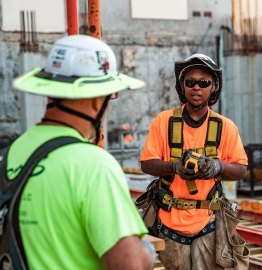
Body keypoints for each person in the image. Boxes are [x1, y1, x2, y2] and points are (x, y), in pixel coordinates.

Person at [10, 34, 155, 269]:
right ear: (98, 100)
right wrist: (146, 252)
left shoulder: (15, 151)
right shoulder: (93, 164)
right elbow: (130, 263)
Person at [140, 53, 249, 269]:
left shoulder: (225, 126)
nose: (196, 88)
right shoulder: (164, 122)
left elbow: (240, 169)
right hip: (170, 225)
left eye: (204, 83)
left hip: (209, 224)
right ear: (182, 86)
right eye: (190, 82)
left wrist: (218, 166)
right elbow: (147, 163)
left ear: (214, 86)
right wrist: (174, 167)